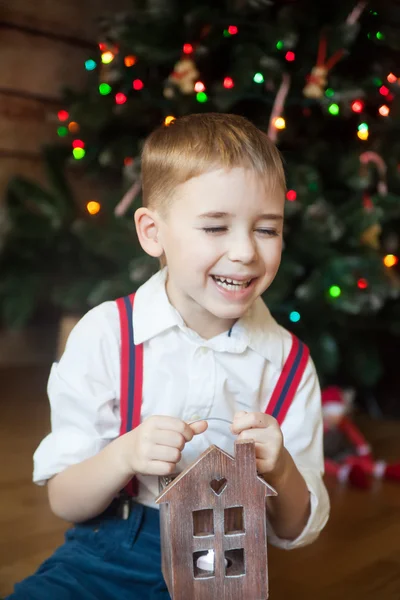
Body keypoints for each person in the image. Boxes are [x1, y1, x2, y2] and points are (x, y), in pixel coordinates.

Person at [8, 113, 330, 600]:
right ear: (152, 232)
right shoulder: (105, 335)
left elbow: (294, 529)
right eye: (216, 227)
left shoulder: (287, 364)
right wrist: (125, 454)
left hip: (224, 569)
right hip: (109, 552)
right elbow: (64, 499)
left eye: (266, 229)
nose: (245, 251)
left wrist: (280, 466)